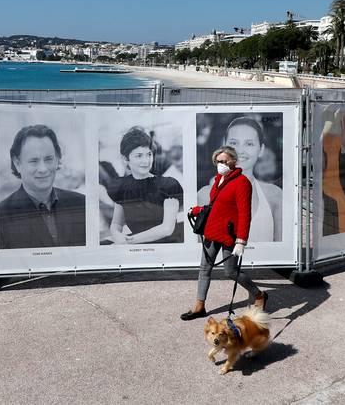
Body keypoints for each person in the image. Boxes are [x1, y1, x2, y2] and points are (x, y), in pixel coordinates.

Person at [180, 146, 267, 321]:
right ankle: (199, 305)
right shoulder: (218, 179)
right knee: (205, 267)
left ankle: (259, 295)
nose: (221, 164)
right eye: (218, 161)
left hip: (229, 234)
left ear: (234, 161)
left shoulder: (242, 182)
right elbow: (216, 205)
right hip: (212, 230)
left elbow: (245, 213)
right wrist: (198, 210)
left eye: (224, 161)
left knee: (231, 272)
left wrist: (241, 240)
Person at [0, 124, 86, 249]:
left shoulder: (81, 204)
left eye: (49, 159)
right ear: (17, 163)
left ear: (57, 160)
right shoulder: (0, 217)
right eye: (34, 161)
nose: (43, 169)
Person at [197, 117, 282, 242]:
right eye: (233, 143)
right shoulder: (204, 196)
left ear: (261, 150)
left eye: (249, 144)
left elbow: (282, 253)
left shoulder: (274, 195)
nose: (240, 151)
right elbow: (201, 252)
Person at [105, 127, 183, 244]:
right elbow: (116, 224)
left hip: (166, 249)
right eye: (139, 156)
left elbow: (166, 229)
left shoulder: (168, 185)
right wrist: (117, 235)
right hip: (135, 247)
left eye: (149, 154)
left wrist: (129, 241)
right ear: (126, 159)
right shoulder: (121, 187)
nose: (146, 161)